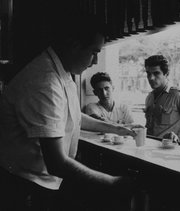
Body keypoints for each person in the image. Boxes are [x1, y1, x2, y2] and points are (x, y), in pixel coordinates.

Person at [0, 14, 139, 210]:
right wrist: (112, 182)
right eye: (93, 52)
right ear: (74, 45)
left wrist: (117, 128)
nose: (94, 61)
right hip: (23, 184)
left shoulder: (62, 71)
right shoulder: (45, 82)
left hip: (42, 178)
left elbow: (71, 114)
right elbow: (56, 163)